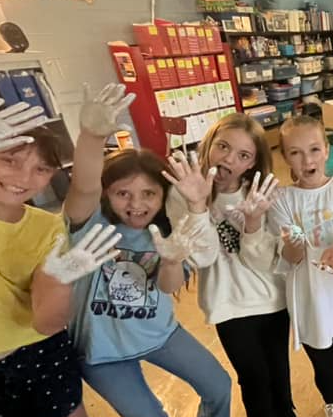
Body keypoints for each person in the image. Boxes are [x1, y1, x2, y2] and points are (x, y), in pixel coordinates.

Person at [64, 83, 231, 417]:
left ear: (163, 196)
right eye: (123, 193)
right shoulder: (89, 223)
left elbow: (168, 285)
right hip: (101, 353)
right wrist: (92, 137)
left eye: (149, 194)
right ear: (106, 193)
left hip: (160, 334)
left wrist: (171, 259)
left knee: (219, 386)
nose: (136, 204)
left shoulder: (168, 231)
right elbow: (83, 185)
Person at [0, 98, 119, 417]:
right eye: (9, 160)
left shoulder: (48, 229)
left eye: (41, 169)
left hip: (42, 357)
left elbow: (48, 323)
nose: (24, 177)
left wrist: (59, 283)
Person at [185, 113, 294, 417]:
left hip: (271, 300)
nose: (229, 158)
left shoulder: (260, 194)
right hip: (229, 305)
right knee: (254, 381)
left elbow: (263, 260)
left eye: (243, 155)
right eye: (223, 146)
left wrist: (253, 222)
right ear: (208, 145)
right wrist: (197, 206)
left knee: (279, 378)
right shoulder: (185, 191)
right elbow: (200, 257)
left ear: (252, 163)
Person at [269, 116, 333, 417]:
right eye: (295, 152)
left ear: (327, 150)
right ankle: (332, 404)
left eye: (313, 149)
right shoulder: (281, 198)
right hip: (309, 295)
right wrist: (293, 243)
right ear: (285, 157)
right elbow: (292, 253)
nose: (306, 159)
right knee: (322, 361)